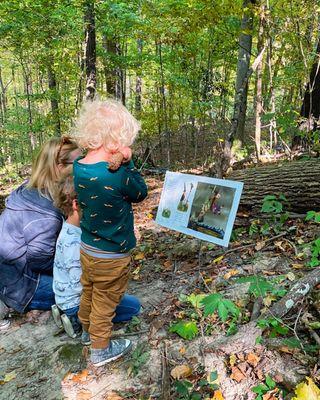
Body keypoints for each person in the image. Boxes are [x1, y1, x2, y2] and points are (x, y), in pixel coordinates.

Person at [72, 99, 148, 366]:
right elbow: (141, 192)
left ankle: (85, 331)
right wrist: (127, 162)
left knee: (89, 291)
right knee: (106, 300)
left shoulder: (79, 166)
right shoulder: (117, 174)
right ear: (116, 142)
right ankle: (100, 349)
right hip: (112, 254)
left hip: (87, 247)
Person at [0, 136, 81, 330]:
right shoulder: (45, 212)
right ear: (58, 166)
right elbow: (39, 259)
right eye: (78, 162)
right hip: (22, 283)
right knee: (85, 291)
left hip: (9, 273)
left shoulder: (31, 189)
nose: (82, 166)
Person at [51, 173, 141, 342]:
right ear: (77, 204)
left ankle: (65, 314)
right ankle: (76, 321)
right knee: (133, 306)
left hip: (64, 297)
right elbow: (81, 284)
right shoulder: (76, 242)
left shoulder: (68, 230)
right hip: (76, 302)